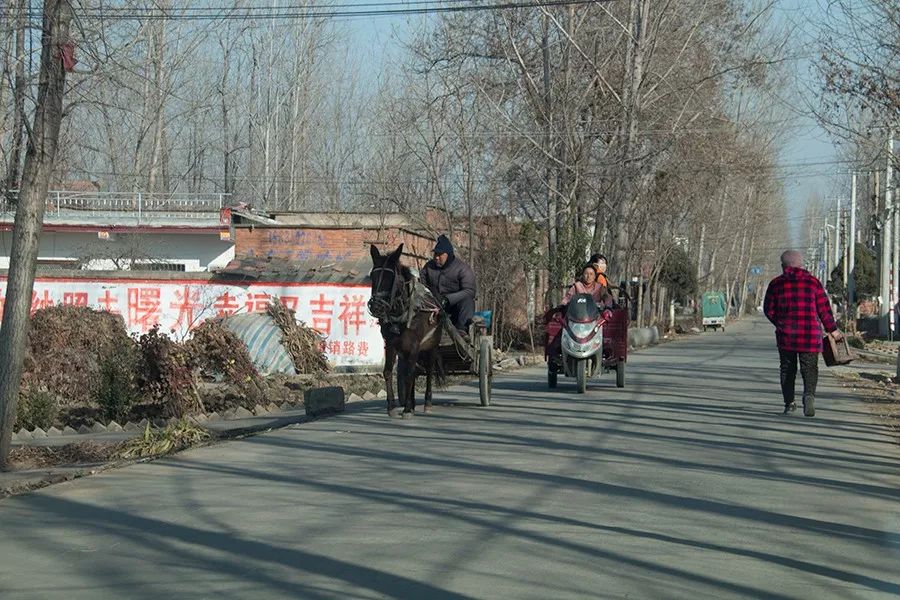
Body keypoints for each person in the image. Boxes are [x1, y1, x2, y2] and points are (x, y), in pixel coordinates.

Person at [763, 249, 843, 417]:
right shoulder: (813, 282)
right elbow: (824, 310)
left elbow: (768, 310)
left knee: (787, 369)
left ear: (783, 265)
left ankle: (789, 403)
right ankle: (808, 396)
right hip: (810, 336)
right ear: (801, 264)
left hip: (786, 336)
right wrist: (832, 329)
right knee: (810, 368)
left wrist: (780, 323)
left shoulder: (776, 284)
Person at [421, 234, 477, 333]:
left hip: (455, 308)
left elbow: (470, 291)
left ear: (447, 254)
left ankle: (461, 330)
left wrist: (448, 299)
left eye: (439, 255)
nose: (436, 258)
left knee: (468, 301)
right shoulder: (428, 267)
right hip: (433, 306)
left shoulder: (462, 269)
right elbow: (421, 283)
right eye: (435, 254)